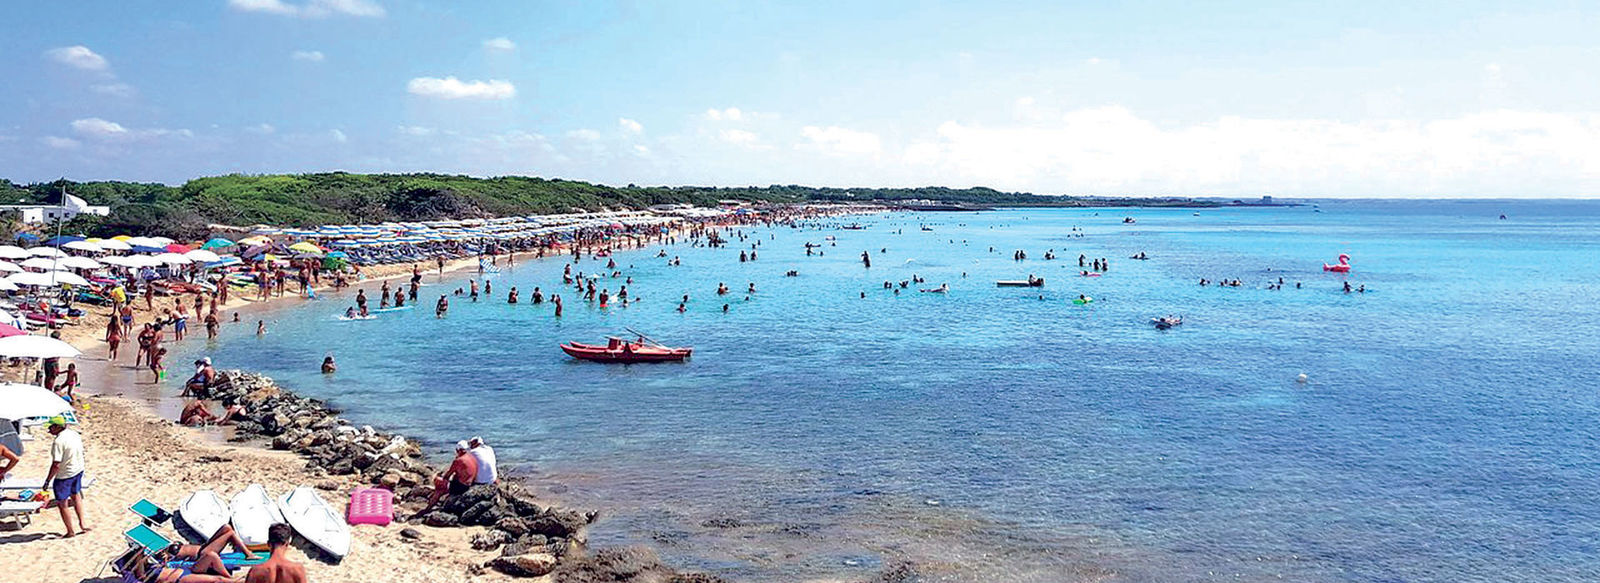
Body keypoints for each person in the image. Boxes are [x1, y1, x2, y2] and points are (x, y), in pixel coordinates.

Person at [42, 417, 88, 537]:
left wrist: (47, 480)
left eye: (51, 427)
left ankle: (70, 531)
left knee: (62, 504)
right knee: (76, 495)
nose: (49, 429)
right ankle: (83, 525)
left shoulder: (58, 442)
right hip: (78, 469)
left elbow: (56, 464)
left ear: (58, 427)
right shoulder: (74, 434)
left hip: (65, 475)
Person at [427, 441, 479, 506]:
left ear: (459, 450)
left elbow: (447, 475)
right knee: (448, 482)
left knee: (438, 482)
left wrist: (441, 479)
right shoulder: (471, 457)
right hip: (469, 485)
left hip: (461, 487)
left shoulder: (458, 460)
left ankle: (429, 507)